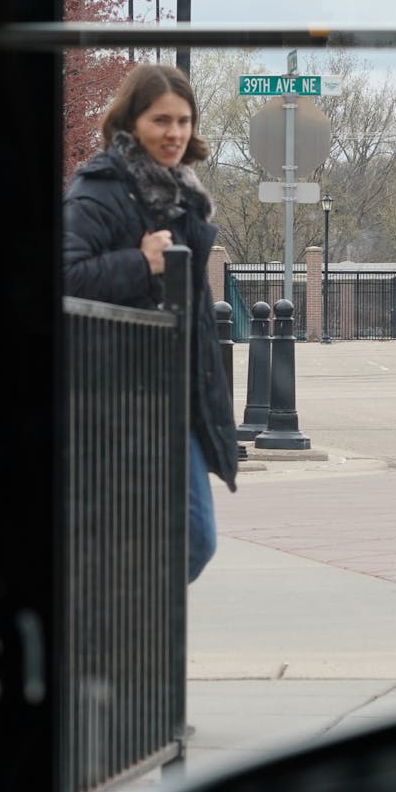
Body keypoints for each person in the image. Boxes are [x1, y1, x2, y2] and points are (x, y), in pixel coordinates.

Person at [62, 63, 238, 583]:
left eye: (184, 121)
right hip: (115, 400)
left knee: (190, 540)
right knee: (185, 537)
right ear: (131, 121)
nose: (175, 133)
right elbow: (63, 276)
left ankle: (111, 632)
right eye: (161, 120)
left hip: (171, 395)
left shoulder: (183, 198)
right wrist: (141, 263)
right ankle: (106, 631)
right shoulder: (100, 190)